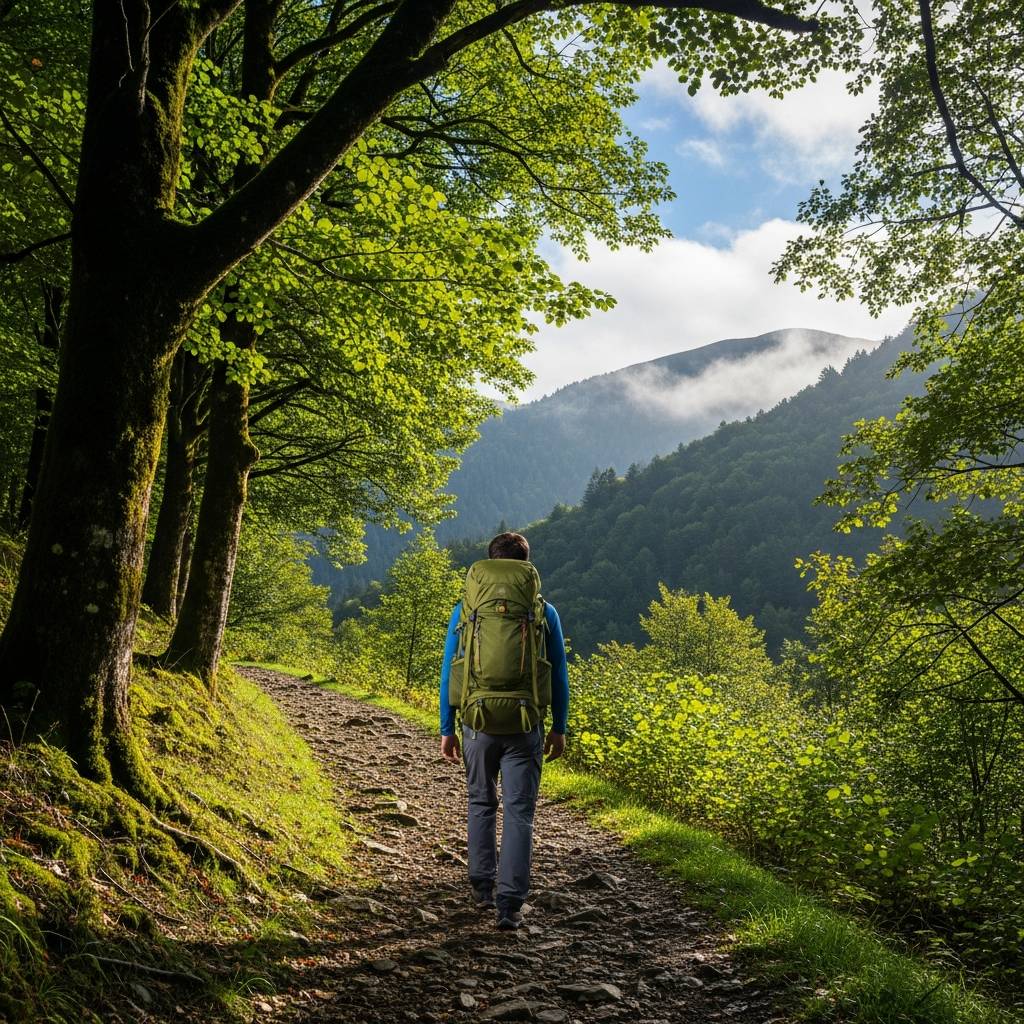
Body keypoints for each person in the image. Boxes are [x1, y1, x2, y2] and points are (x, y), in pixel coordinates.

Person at [438, 531, 569, 930]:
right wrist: (559, 727)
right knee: (519, 811)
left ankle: (481, 885)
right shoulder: (544, 612)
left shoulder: (466, 610)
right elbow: (559, 673)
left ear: (489, 562)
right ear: (526, 565)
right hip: (526, 722)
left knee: (480, 801)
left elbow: (450, 669)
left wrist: (447, 726)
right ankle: (509, 904)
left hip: (476, 721)